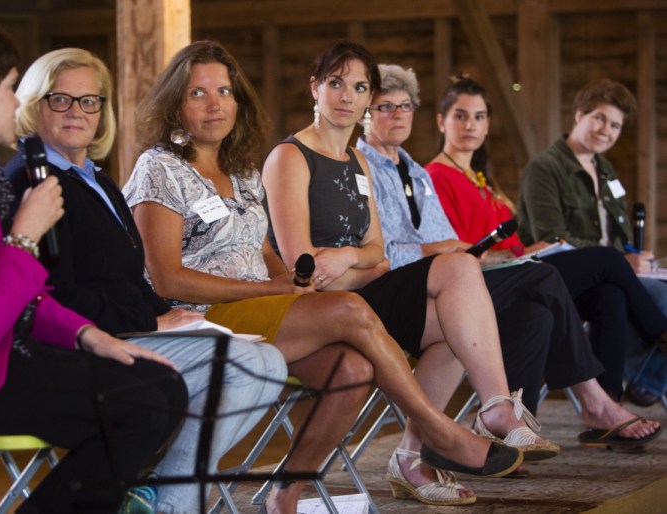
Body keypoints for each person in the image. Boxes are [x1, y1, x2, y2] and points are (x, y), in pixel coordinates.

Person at [124, 40, 524, 512]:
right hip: (199, 321)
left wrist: (287, 278)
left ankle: (285, 492)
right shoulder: (160, 167)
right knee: (352, 309)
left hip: (265, 310)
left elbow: (266, 249)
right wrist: (272, 287)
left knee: (352, 369)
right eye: (198, 94)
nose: (215, 105)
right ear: (175, 102)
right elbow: (167, 278)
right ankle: (438, 430)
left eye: (225, 92)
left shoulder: (242, 169)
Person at [261, 40, 559, 506]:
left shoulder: (357, 161)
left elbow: (378, 253)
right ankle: (479, 418)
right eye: (336, 83)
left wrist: (347, 259)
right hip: (317, 309)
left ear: (367, 98)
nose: (346, 96)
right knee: (459, 278)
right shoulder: (290, 157)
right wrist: (350, 259)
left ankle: (421, 449)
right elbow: (306, 267)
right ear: (314, 88)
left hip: (361, 292)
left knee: (459, 322)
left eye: (358, 87)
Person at [0, 14, 188, 514]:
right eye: (9, 87)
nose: (17, 101)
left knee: (156, 386)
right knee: (146, 401)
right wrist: (25, 235)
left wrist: (88, 334)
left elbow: (16, 291)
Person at [2, 47, 288, 514]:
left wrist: (164, 313)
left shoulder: (96, 179)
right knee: (241, 363)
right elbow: (56, 293)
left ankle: (160, 496)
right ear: (34, 105)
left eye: (89, 101)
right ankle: (175, 502)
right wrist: (151, 321)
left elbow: (127, 278)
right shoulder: (33, 181)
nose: (77, 112)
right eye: (61, 100)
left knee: (269, 362)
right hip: (83, 343)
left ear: (103, 112)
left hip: (131, 327)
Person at [359, 63, 664, 455]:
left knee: (553, 308)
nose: (398, 115)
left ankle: (512, 437)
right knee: (572, 271)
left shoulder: (418, 173)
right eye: (385, 106)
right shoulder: (377, 168)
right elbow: (412, 250)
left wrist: (476, 253)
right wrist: (453, 252)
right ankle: (596, 402)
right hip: (411, 290)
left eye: (405, 106)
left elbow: (454, 246)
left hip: (458, 278)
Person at [518, 78, 667, 406]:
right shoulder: (544, 167)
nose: (606, 130)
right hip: (552, 271)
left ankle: (610, 405)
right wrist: (618, 259)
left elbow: (620, 235)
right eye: (599, 118)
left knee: (612, 297)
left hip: (608, 274)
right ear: (579, 114)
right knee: (657, 294)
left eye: (615, 125)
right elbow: (551, 235)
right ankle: (653, 362)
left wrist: (634, 256)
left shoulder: (606, 170)